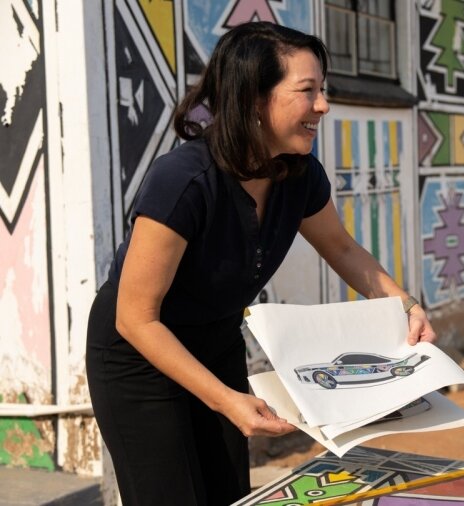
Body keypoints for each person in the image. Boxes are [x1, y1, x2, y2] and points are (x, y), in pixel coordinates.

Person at [86, 22, 435, 506]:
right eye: (307, 91)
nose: (323, 105)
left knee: (228, 492)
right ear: (254, 99)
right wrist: (226, 400)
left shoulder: (298, 172)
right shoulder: (185, 181)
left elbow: (342, 249)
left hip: (216, 343)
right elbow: (135, 317)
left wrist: (405, 305)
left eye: (324, 90)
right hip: (139, 356)